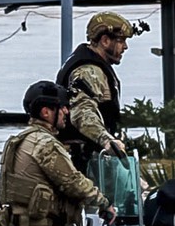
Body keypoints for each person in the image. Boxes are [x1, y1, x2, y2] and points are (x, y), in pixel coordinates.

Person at [0, 81, 109, 226]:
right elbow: (74, 182)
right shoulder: (45, 144)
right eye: (62, 107)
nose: (67, 111)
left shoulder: (22, 139)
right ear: (46, 112)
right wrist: (105, 204)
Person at [55, 11, 137, 169]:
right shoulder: (88, 71)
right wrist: (106, 140)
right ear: (105, 40)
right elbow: (82, 112)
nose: (125, 47)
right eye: (121, 41)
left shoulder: (89, 63)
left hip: (90, 158)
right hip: (83, 163)